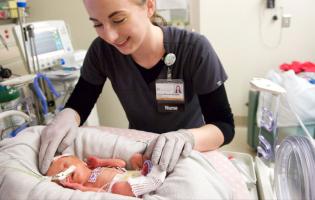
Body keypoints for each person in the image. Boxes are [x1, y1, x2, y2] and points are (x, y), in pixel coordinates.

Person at [39, 0, 235, 175]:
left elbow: (224, 126)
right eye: (97, 24)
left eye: (118, 19)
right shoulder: (102, 51)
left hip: (191, 150)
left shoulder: (194, 49)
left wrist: (187, 138)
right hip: (139, 153)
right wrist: (68, 116)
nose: (110, 36)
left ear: (149, 6)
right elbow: (80, 104)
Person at [47, 154, 166, 197]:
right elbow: (100, 193)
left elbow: (121, 163)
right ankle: (153, 180)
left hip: (131, 174)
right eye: (59, 176)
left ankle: (145, 172)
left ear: (81, 162)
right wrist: (81, 188)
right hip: (120, 189)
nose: (64, 172)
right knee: (117, 188)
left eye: (65, 165)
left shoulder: (96, 167)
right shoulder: (84, 185)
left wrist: (101, 162)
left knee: (135, 158)